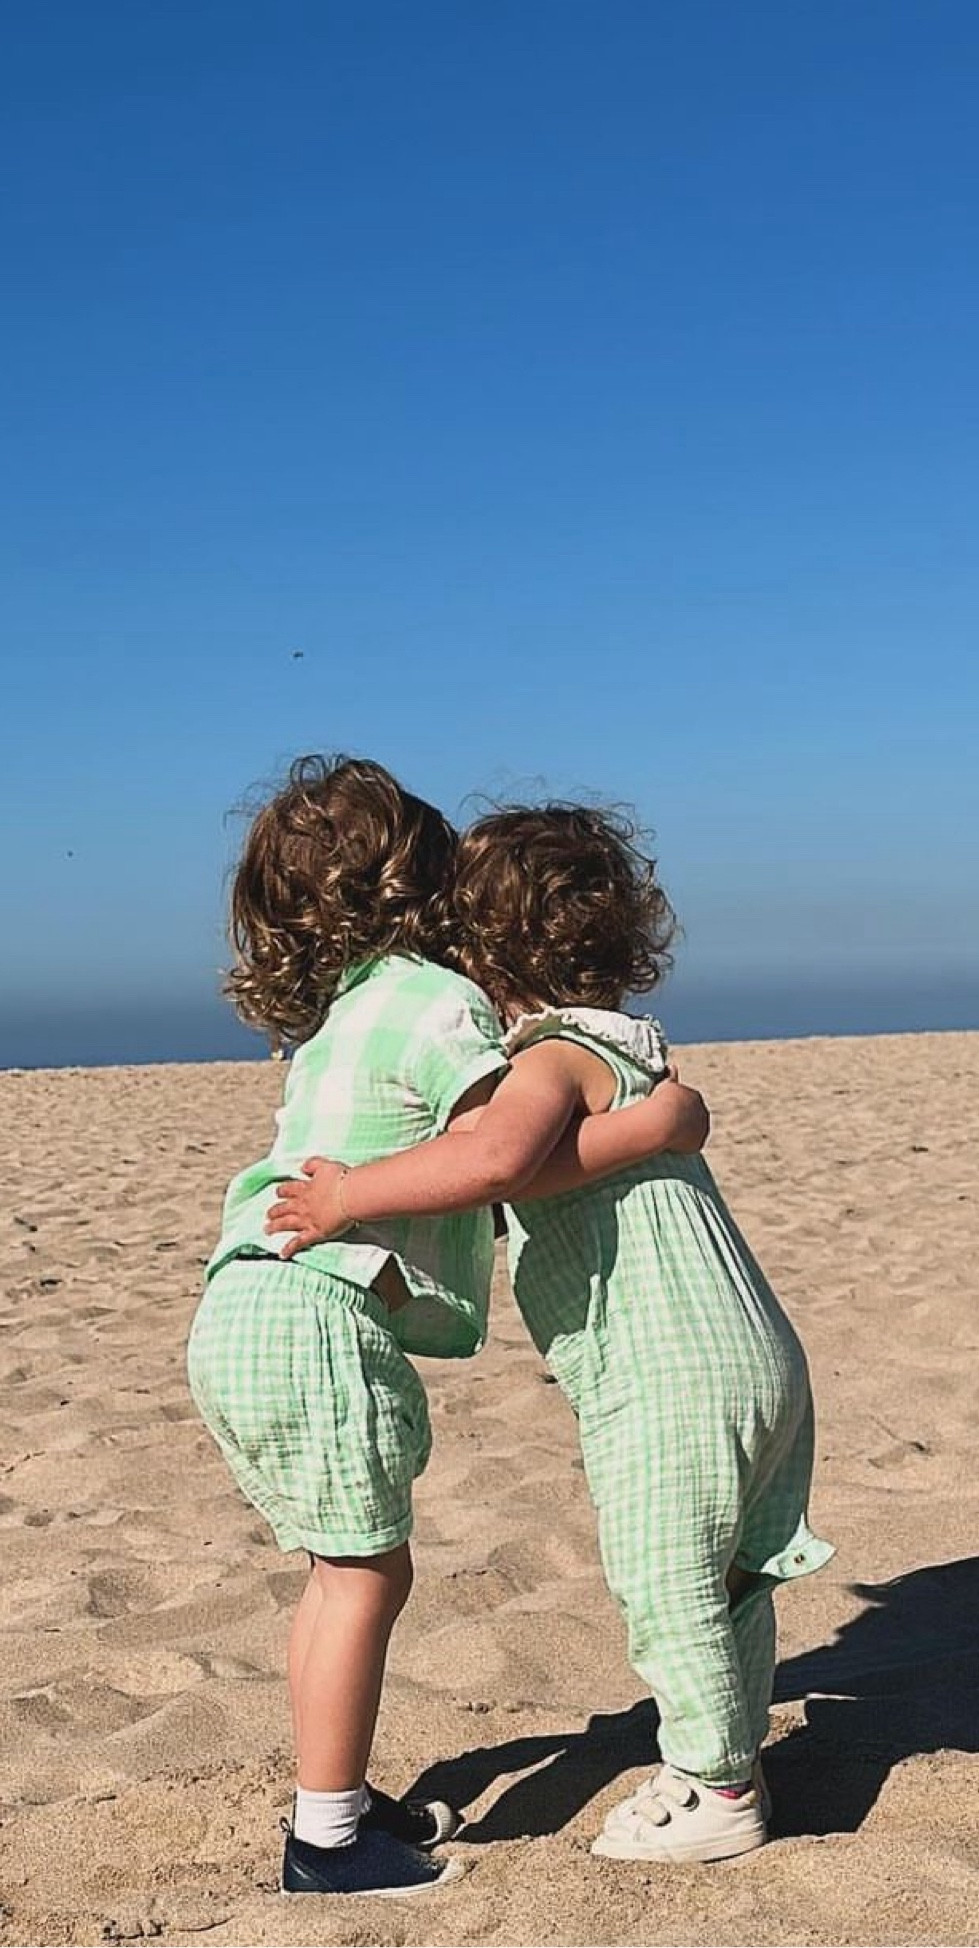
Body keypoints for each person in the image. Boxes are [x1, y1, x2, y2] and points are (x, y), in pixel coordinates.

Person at [267, 802, 832, 1865]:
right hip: (753, 1350)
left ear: (481, 956)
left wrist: (349, 1197)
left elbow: (500, 1165)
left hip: (665, 1369)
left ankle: (715, 1789)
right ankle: (731, 1756)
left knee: (666, 1577)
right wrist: (658, 1121)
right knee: (727, 1576)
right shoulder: (629, 1053)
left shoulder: (551, 1060)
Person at [186, 759, 709, 1898]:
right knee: (359, 1576)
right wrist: (652, 1126)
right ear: (424, 888)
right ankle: (326, 1838)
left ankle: (340, 1796)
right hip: (314, 1308)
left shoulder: (338, 1016)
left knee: (349, 1568)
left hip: (244, 1302)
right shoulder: (437, 1002)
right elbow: (495, 1158)